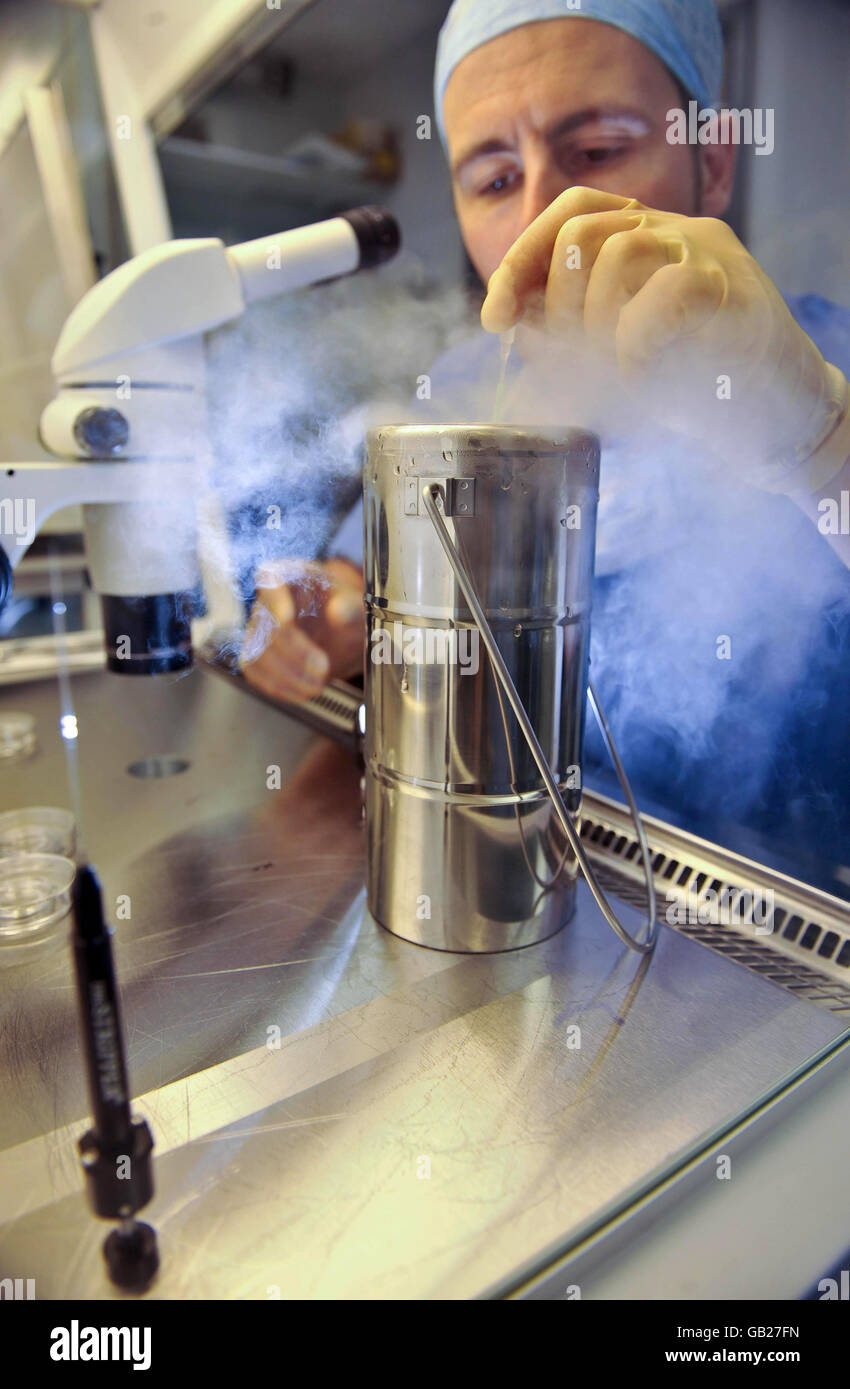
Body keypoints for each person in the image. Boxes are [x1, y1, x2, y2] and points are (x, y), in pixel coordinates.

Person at [241, 0, 850, 878]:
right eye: (492, 180)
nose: (543, 225)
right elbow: (356, 581)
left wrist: (820, 439)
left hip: (782, 948)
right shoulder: (459, 391)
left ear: (711, 165)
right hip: (519, 884)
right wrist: (319, 615)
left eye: (599, 152)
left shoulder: (811, 367)